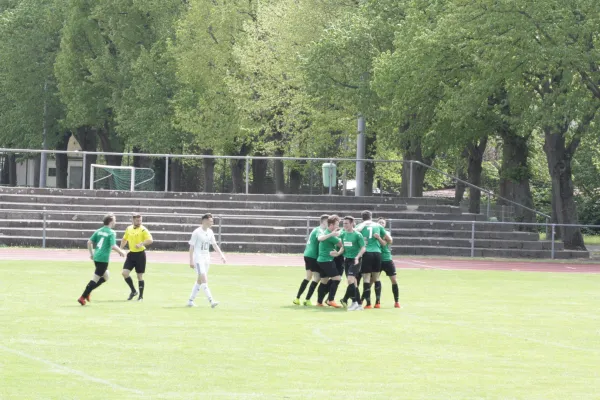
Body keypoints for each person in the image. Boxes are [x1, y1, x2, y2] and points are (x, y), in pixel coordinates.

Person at [78, 214, 125, 305]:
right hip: (103, 259)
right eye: (115, 220)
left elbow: (89, 242)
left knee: (106, 276)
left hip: (96, 257)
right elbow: (113, 246)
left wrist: (91, 254)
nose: (115, 222)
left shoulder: (98, 231)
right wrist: (121, 252)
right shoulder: (111, 232)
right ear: (111, 221)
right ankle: (82, 297)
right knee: (95, 278)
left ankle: (88, 292)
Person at [187, 213, 227, 308]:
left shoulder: (210, 232)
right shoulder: (196, 232)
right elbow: (191, 247)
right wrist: (191, 260)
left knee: (199, 281)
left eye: (212, 221)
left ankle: (190, 300)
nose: (212, 223)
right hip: (198, 259)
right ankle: (211, 301)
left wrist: (221, 255)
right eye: (210, 221)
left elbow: (214, 244)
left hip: (206, 258)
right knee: (204, 279)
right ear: (204, 221)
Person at [354, 210, 388, 309]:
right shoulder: (378, 226)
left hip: (366, 253)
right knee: (376, 278)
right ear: (371, 217)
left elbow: (354, 234)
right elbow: (386, 239)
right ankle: (378, 302)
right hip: (377, 253)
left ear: (362, 218)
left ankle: (368, 303)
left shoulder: (360, 226)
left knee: (366, 278)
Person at [293, 214, 329, 306]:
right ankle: (307, 299)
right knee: (317, 278)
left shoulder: (315, 228)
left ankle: (297, 298)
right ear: (324, 222)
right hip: (313, 256)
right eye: (328, 222)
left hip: (307, 254)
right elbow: (319, 238)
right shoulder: (320, 230)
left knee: (308, 277)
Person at [120, 213, 153, 301]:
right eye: (137, 220)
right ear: (133, 220)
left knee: (139, 276)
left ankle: (141, 297)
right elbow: (124, 239)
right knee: (124, 273)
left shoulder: (143, 229)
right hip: (131, 254)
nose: (139, 222)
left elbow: (150, 240)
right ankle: (134, 291)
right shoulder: (129, 228)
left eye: (140, 220)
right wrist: (120, 249)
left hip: (140, 255)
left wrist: (142, 244)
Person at [338, 216, 366, 311]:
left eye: (346, 223)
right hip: (347, 260)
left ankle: (353, 302)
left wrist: (357, 257)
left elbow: (363, 248)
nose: (344, 225)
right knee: (354, 283)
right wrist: (338, 253)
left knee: (350, 280)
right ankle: (359, 305)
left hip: (355, 260)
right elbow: (343, 247)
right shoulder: (343, 234)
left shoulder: (357, 235)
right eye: (344, 223)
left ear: (352, 223)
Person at [315, 215, 343, 308]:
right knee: (337, 279)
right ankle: (331, 300)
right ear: (331, 225)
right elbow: (341, 244)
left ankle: (319, 302)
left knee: (324, 281)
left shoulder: (326, 232)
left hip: (321, 260)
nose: (337, 227)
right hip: (327, 260)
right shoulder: (331, 235)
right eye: (336, 225)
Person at [376, 218, 400, 308]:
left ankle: (396, 301)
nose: (381, 224)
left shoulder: (386, 234)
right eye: (379, 222)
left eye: (383, 222)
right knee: (374, 280)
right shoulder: (374, 232)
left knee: (394, 280)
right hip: (377, 259)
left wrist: (378, 237)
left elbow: (384, 244)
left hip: (387, 259)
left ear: (385, 225)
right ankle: (377, 302)